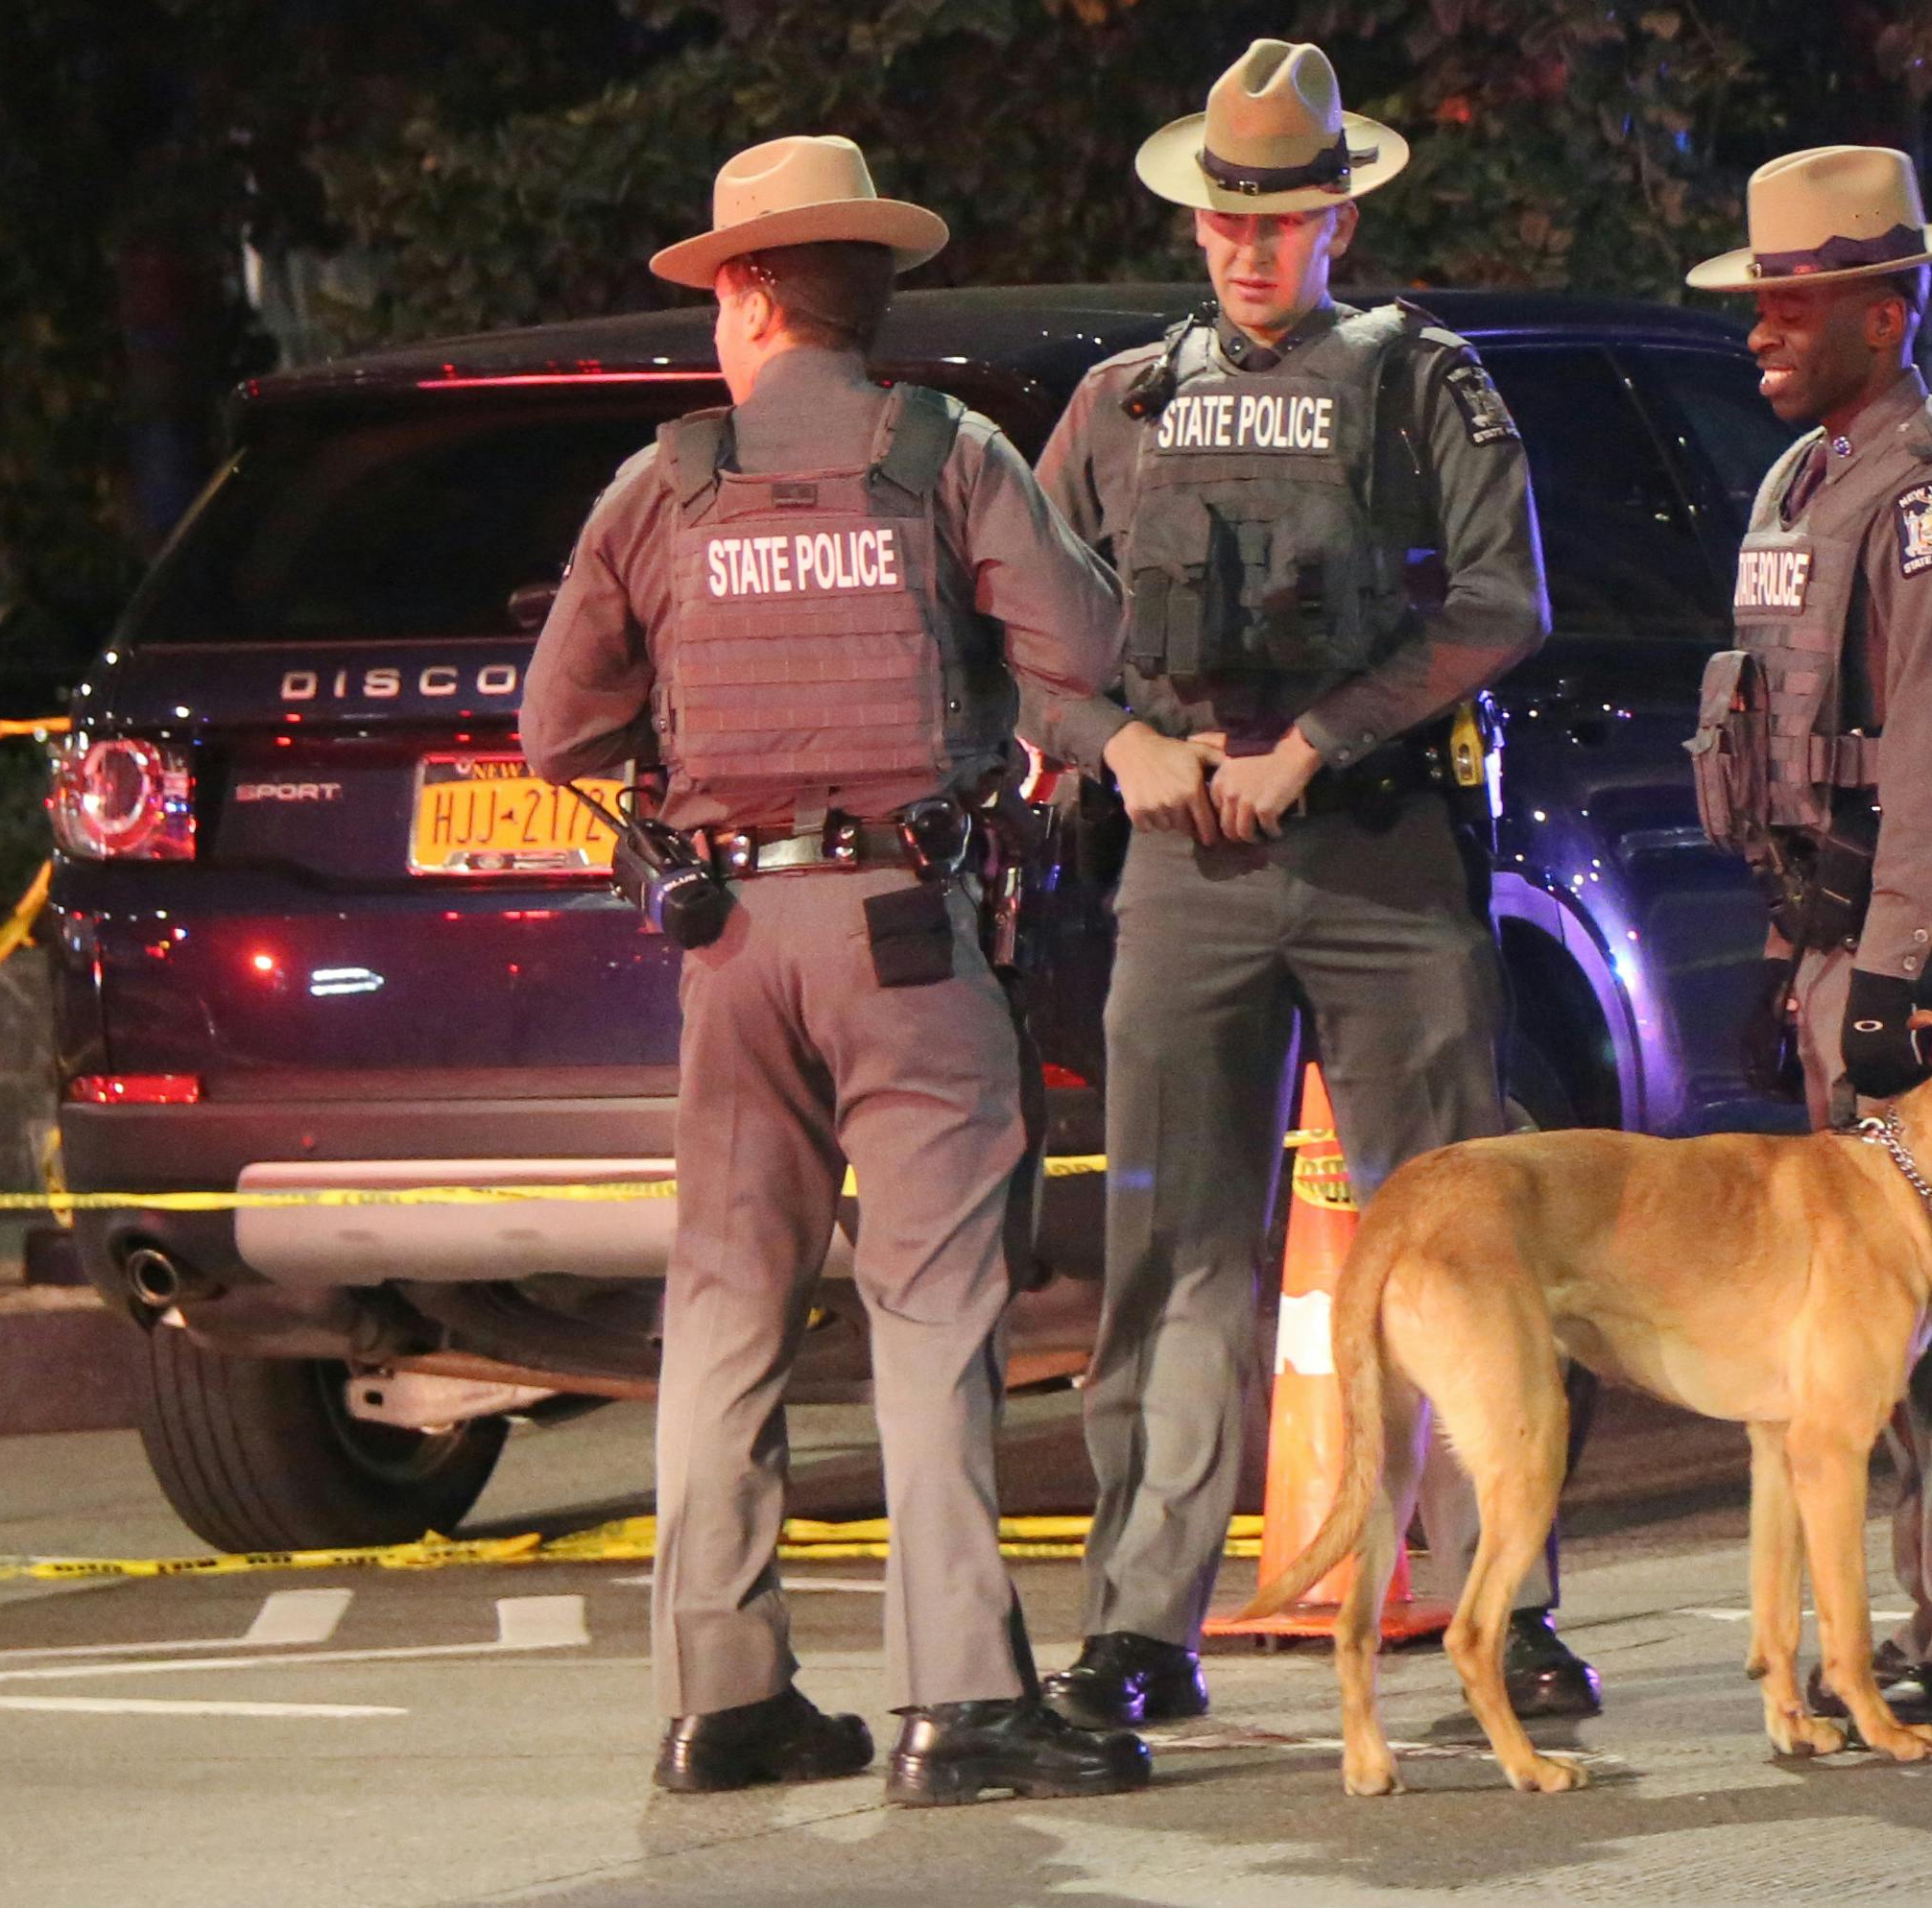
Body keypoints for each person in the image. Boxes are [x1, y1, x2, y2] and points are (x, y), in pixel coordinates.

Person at [522, 134, 1149, 1804]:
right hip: (899, 930)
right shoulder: (944, 454)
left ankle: (723, 1699)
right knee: (933, 1313)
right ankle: (961, 1703)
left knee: (725, 1309)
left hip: (725, 943)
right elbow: (1080, 655)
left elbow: (552, 725)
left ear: (744, 291)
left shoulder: (661, 482)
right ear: (863, 293)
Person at [1016, 39, 1594, 1729]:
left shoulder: (1421, 382)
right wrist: (1120, 748)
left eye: (1277, 218)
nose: (1245, 245)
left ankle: (1516, 1602)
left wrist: (1319, 740)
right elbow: (1026, 640)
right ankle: (1139, 1629)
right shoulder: (1118, 404)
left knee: (1465, 1243)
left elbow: (1499, 604)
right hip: (1182, 863)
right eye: (1222, 216)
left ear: (1336, 218)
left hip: (1380, 854)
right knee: (1172, 1253)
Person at [1682, 145, 1932, 1742]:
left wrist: (1893, 984)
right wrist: (1803, 966)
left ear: (1886, 309)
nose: (1762, 324)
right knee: (1865, 1315)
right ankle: (1914, 1629)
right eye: (1759, 295)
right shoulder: (1802, 483)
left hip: (1926, 944)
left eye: (1796, 297)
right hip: (1843, 936)